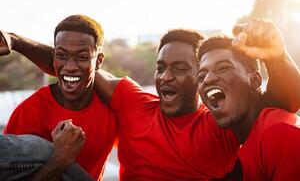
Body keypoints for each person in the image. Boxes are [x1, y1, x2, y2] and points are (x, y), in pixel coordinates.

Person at [0, 19, 299, 180]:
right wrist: (15, 41)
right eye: (160, 67)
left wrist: (277, 55)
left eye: (181, 69)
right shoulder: (134, 101)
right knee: (42, 149)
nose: (166, 77)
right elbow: (75, 65)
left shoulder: (221, 122)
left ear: (199, 77)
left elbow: (286, 98)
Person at [2, 15, 117, 180]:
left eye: (82, 57)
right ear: (54, 56)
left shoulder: (113, 108)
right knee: (43, 149)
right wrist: (60, 159)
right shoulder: (30, 110)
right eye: (61, 56)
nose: (69, 67)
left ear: (99, 60)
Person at [197, 20, 300, 180]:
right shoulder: (252, 142)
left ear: (256, 80)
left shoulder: (279, 134)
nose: (208, 79)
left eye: (223, 68)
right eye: (201, 76)